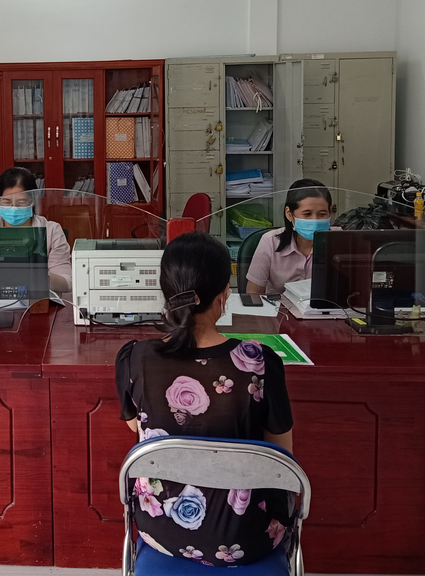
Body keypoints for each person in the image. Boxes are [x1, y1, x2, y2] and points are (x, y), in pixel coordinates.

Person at [116, 231, 293, 567]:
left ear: (166, 291)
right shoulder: (260, 362)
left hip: (161, 530)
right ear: (224, 294)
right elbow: (281, 456)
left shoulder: (134, 359)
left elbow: (137, 427)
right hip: (248, 534)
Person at [0, 167, 72, 293]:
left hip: (40, 302)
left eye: (21, 202)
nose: (13, 208)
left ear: (32, 200)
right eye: (6, 202)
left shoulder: (51, 231)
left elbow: (67, 283)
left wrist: (36, 275)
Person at [246, 179, 333, 295]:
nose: (315, 220)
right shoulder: (270, 242)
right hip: (278, 306)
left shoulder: (344, 241)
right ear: (289, 214)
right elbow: (253, 292)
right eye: (307, 214)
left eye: (322, 214)